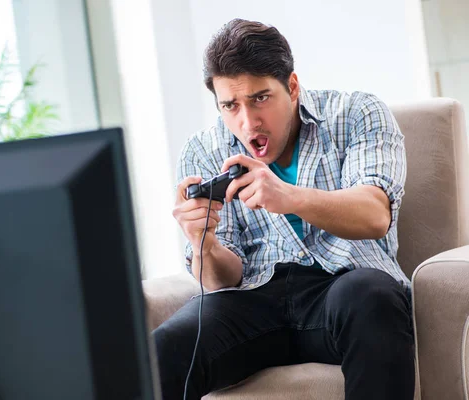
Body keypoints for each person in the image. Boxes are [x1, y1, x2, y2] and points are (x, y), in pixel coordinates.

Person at [153, 18, 415, 400]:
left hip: (341, 288)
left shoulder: (357, 112)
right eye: (230, 105)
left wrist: (288, 195)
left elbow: (374, 214)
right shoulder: (202, 150)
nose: (247, 121)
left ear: (292, 87)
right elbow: (221, 281)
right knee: (163, 350)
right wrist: (204, 243)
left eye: (260, 98)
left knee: (372, 296)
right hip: (254, 299)